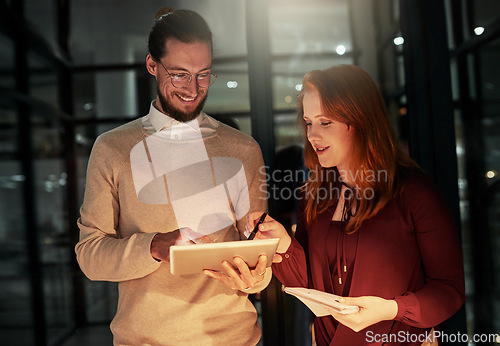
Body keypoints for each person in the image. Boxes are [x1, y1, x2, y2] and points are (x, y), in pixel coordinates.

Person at [75, 7, 271, 345]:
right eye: (179, 74)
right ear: (152, 65)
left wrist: (254, 277)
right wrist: (155, 246)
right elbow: (90, 256)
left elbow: (259, 257)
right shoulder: (113, 149)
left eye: (204, 74)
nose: (193, 88)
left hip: (233, 339)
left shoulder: (243, 149)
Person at [248, 65, 465, 345]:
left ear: (360, 120)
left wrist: (391, 309)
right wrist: (283, 244)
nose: (312, 134)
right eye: (308, 122)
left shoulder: (415, 192)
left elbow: (449, 291)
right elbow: (309, 286)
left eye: (325, 122)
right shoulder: (315, 194)